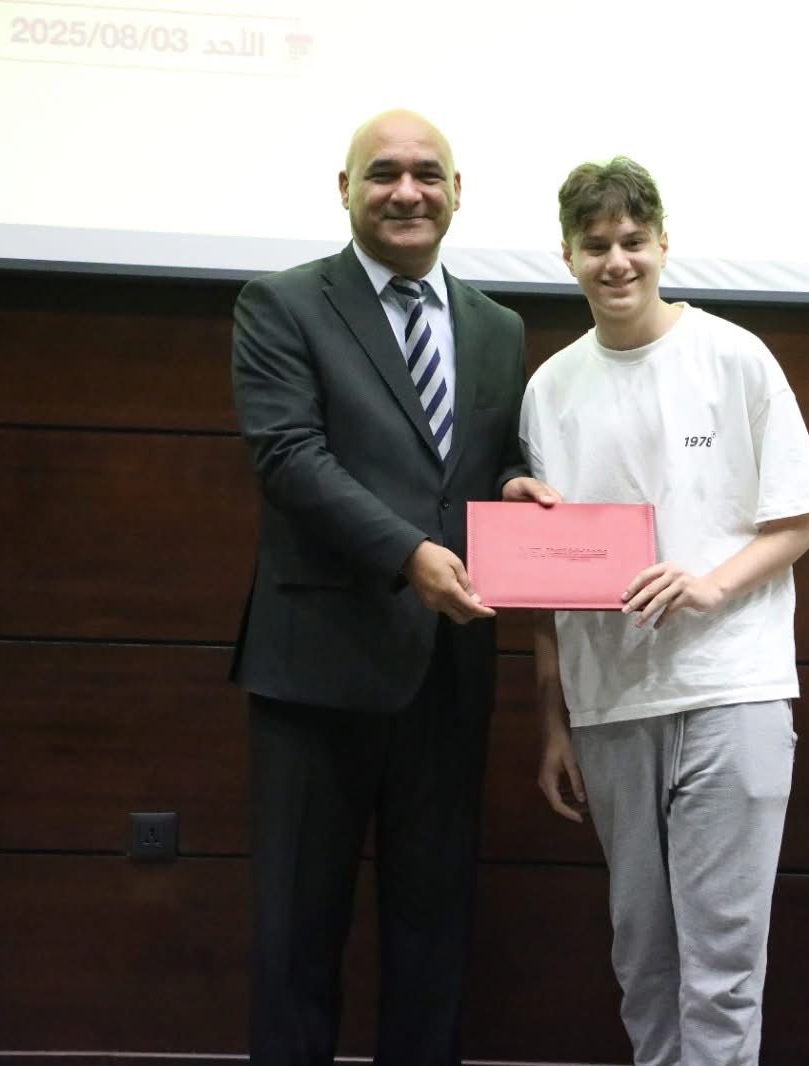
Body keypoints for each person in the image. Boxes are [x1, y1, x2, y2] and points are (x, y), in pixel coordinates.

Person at [229, 109, 558, 1065]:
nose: (406, 192)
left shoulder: (496, 326)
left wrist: (514, 485)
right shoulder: (283, 304)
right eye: (383, 174)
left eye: (426, 174)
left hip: (448, 672)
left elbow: (484, 458)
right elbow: (289, 456)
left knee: (433, 935)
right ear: (346, 190)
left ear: (457, 192)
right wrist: (409, 553)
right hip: (316, 673)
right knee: (298, 935)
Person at [524, 157, 809, 1066]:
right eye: (596, 245)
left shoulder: (733, 356)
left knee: (722, 964)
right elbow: (541, 571)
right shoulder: (550, 388)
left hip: (731, 687)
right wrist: (553, 721)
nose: (617, 261)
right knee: (643, 959)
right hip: (610, 703)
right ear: (568, 255)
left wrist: (712, 585)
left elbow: (806, 514)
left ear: (664, 243)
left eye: (633, 241)